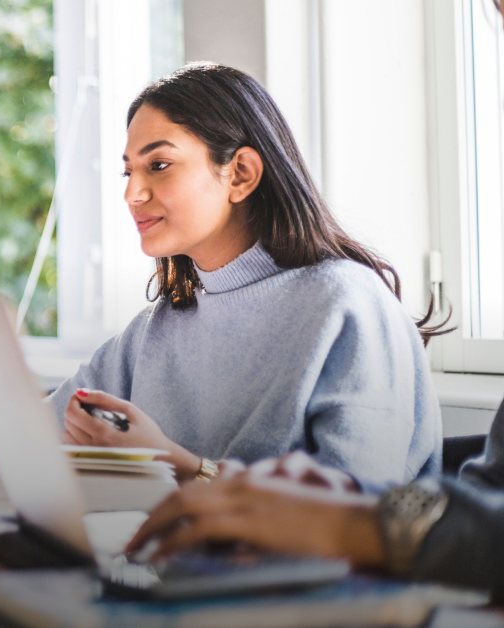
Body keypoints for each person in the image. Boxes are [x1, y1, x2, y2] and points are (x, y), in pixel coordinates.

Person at [47, 63, 446, 488]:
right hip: (154, 554)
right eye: (129, 171)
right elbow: (29, 432)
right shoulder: (153, 332)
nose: (132, 194)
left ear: (241, 174)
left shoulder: (348, 304)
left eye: (158, 165)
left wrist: (178, 465)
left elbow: (357, 517)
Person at [126, 399, 504, 602]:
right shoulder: (148, 328)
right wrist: (353, 494)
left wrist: (358, 521)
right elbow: (488, 488)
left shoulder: (346, 302)